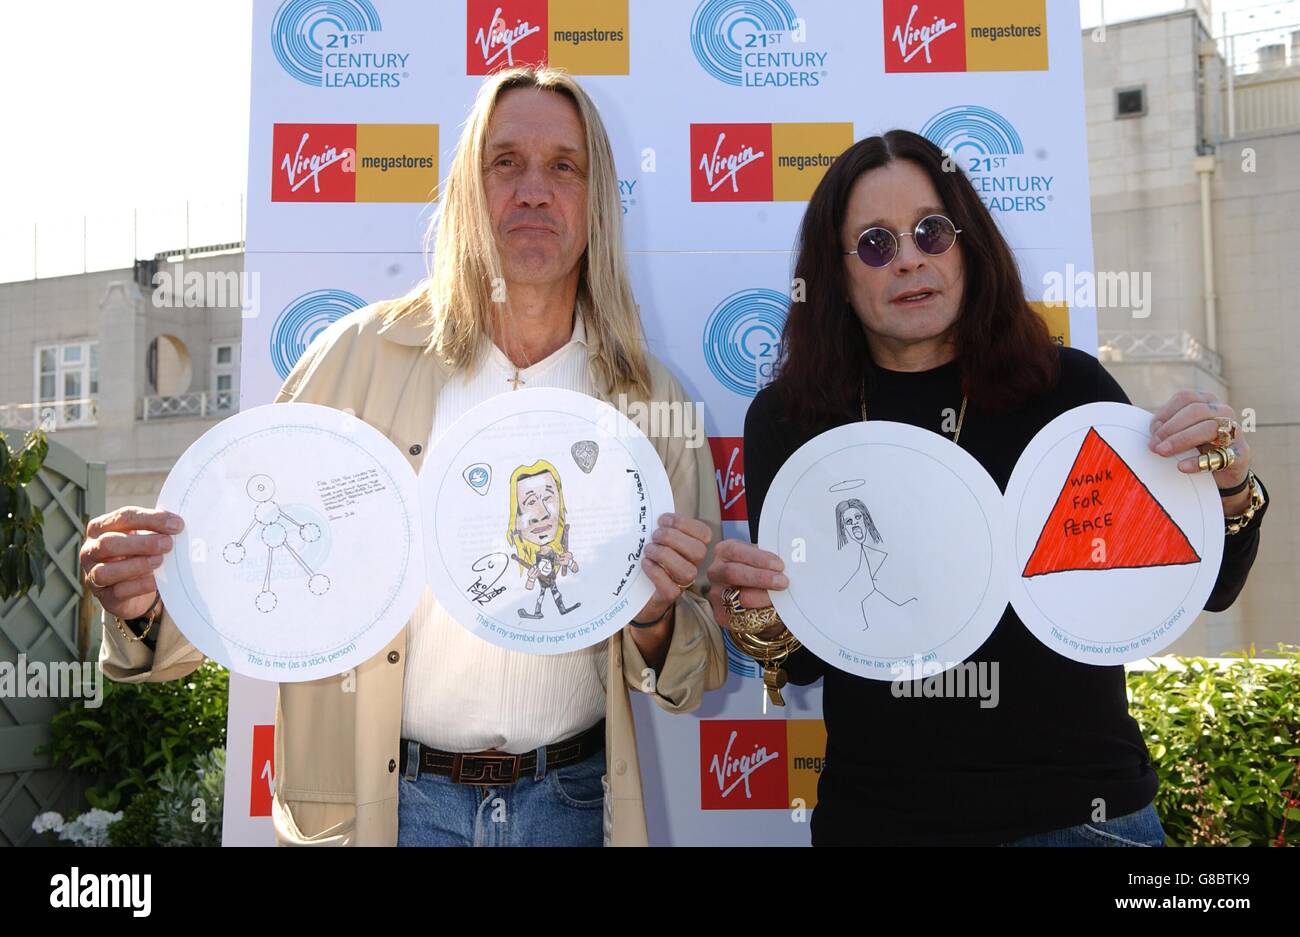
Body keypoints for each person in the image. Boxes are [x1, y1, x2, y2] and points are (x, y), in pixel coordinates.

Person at [82, 66, 726, 847]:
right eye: (504, 162)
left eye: (564, 166)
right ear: (467, 190)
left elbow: (692, 667)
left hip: (572, 804)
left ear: (596, 201)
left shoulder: (645, 399)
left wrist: (654, 616)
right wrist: (148, 603)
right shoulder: (357, 359)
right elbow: (247, 577)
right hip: (393, 808)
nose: (532, 190)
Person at [706, 130, 1269, 846]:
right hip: (882, 821)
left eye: (931, 232)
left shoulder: (1069, 392)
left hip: (1082, 818)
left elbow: (1207, 586)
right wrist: (753, 616)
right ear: (837, 273)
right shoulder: (791, 419)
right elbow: (807, 656)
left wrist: (1228, 485)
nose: (909, 256)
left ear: (967, 245)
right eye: (875, 243)